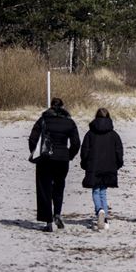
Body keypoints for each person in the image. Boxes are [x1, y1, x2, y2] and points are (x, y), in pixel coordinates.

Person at [29, 97, 80, 232]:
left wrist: (34, 152)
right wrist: (69, 155)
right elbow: (76, 143)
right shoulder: (69, 122)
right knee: (59, 187)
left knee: (44, 189)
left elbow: (33, 138)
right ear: (63, 107)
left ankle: (48, 221)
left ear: (51, 106)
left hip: (45, 158)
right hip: (62, 159)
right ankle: (57, 213)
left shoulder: (43, 120)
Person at [80, 108, 123, 231]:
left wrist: (85, 164)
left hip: (94, 166)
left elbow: (84, 151)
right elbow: (119, 152)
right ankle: (104, 218)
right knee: (103, 191)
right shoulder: (114, 135)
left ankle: (99, 210)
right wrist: (117, 165)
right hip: (109, 166)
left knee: (96, 190)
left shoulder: (90, 134)